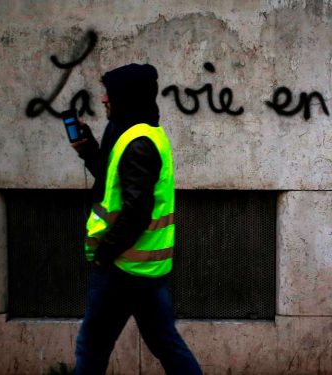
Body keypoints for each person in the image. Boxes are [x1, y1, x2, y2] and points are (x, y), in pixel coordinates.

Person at [71, 63, 202, 375]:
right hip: (144, 268)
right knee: (167, 345)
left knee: (91, 348)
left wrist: (105, 255)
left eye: (110, 93)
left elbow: (137, 212)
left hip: (123, 268)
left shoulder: (137, 143)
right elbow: (113, 182)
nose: (103, 99)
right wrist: (89, 150)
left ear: (126, 97)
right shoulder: (139, 132)